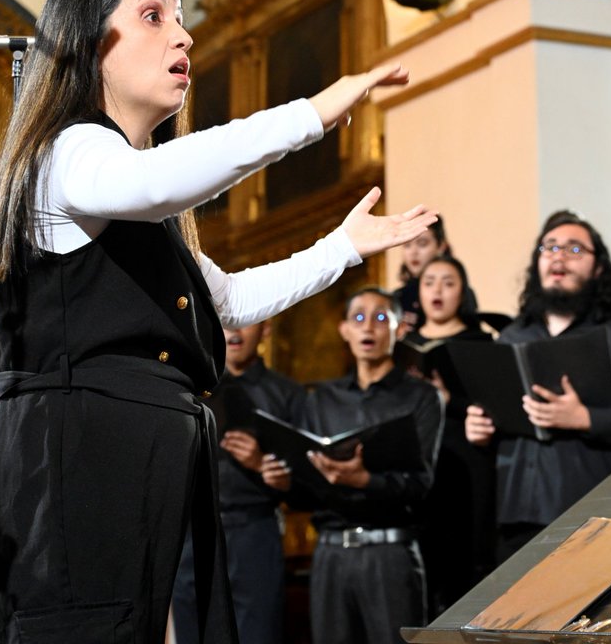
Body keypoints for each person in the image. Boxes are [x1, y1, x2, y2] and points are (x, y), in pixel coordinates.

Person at [0, 0, 436, 644]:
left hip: (137, 464)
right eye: (154, 16)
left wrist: (342, 247)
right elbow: (150, 184)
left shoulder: (137, 202)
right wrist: (316, 112)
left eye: (182, 19)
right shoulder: (69, 155)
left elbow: (229, 301)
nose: (182, 37)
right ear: (91, 43)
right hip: (72, 470)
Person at [465, 211, 611, 562]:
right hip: (519, 518)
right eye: (550, 247)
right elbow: (498, 419)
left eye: (574, 249)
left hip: (603, 517)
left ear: (599, 267)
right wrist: (480, 429)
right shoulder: (514, 335)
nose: (559, 256)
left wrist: (585, 419)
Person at [264, 287, 443, 644]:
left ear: (399, 329)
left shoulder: (419, 396)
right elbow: (308, 487)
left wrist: (364, 481)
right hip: (331, 552)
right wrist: (284, 483)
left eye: (380, 318)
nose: (368, 328)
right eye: (358, 317)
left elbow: (420, 484)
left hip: (390, 553)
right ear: (344, 330)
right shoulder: (322, 399)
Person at [171, 320, 303, 644]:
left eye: (246, 322)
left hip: (255, 531)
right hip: (193, 533)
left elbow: (306, 481)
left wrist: (263, 465)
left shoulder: (288, 394)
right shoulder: (188, 390)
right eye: (224, 322)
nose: (234, 332)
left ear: (267, 328)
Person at [402, 255, 496, 614]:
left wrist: (446, 400)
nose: (437, 290)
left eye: (448, 282)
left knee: (466, 564)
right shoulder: (404, 344)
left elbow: (492, 407)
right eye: (429, 282)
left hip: (468, 462)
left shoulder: (481, 343)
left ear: (463, 292)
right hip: (420, 463)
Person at [395, 217, 453, 334]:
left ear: (441, 246)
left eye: (422, 244)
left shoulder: (456, 293)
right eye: (407, 245)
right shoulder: (398, 297)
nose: (413, 252)